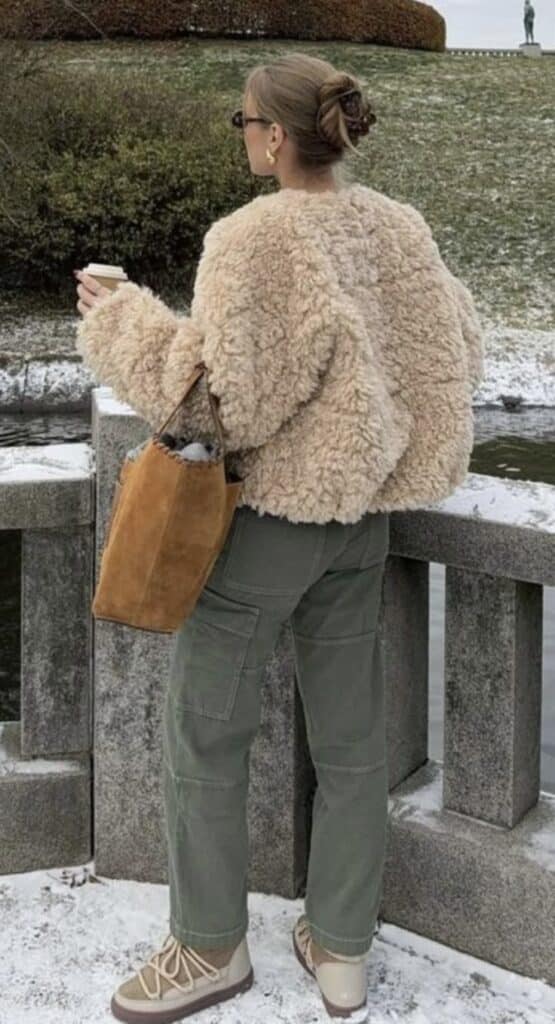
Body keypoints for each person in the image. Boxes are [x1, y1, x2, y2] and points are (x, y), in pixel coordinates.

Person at [75, 52, 484, 1024]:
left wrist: (120, 318)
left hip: (267, 527)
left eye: (241, 122)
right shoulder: (398, 226)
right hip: (361, 523)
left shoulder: (251, 237)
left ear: (270, 132)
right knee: (351, 746)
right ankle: (341, 950)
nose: (241, 135)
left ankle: (209, 946)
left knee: (205, 733)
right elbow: (454, 345)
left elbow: (222, 400)